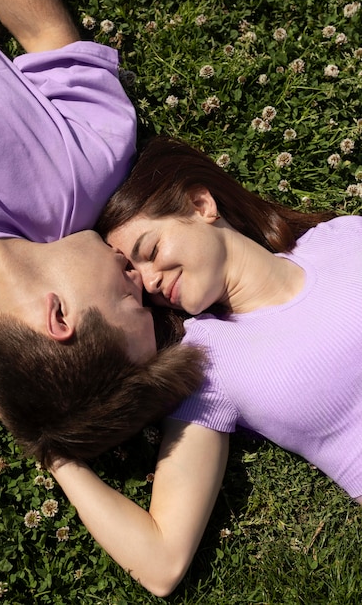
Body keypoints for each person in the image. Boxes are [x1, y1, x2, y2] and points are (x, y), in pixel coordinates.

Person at [38, 135, 361, 598]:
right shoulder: (210, 359)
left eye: (149, 250)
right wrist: (53, 452)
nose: (149, 280)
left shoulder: (342, 236)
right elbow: (162, 563)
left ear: (200, 203)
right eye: (136, 277)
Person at [0, 0, 206, 456]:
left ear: (58, 317)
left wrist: (49, 446)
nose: (141, 280)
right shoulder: (89, 169)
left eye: (132, 302)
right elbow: (46, 30)